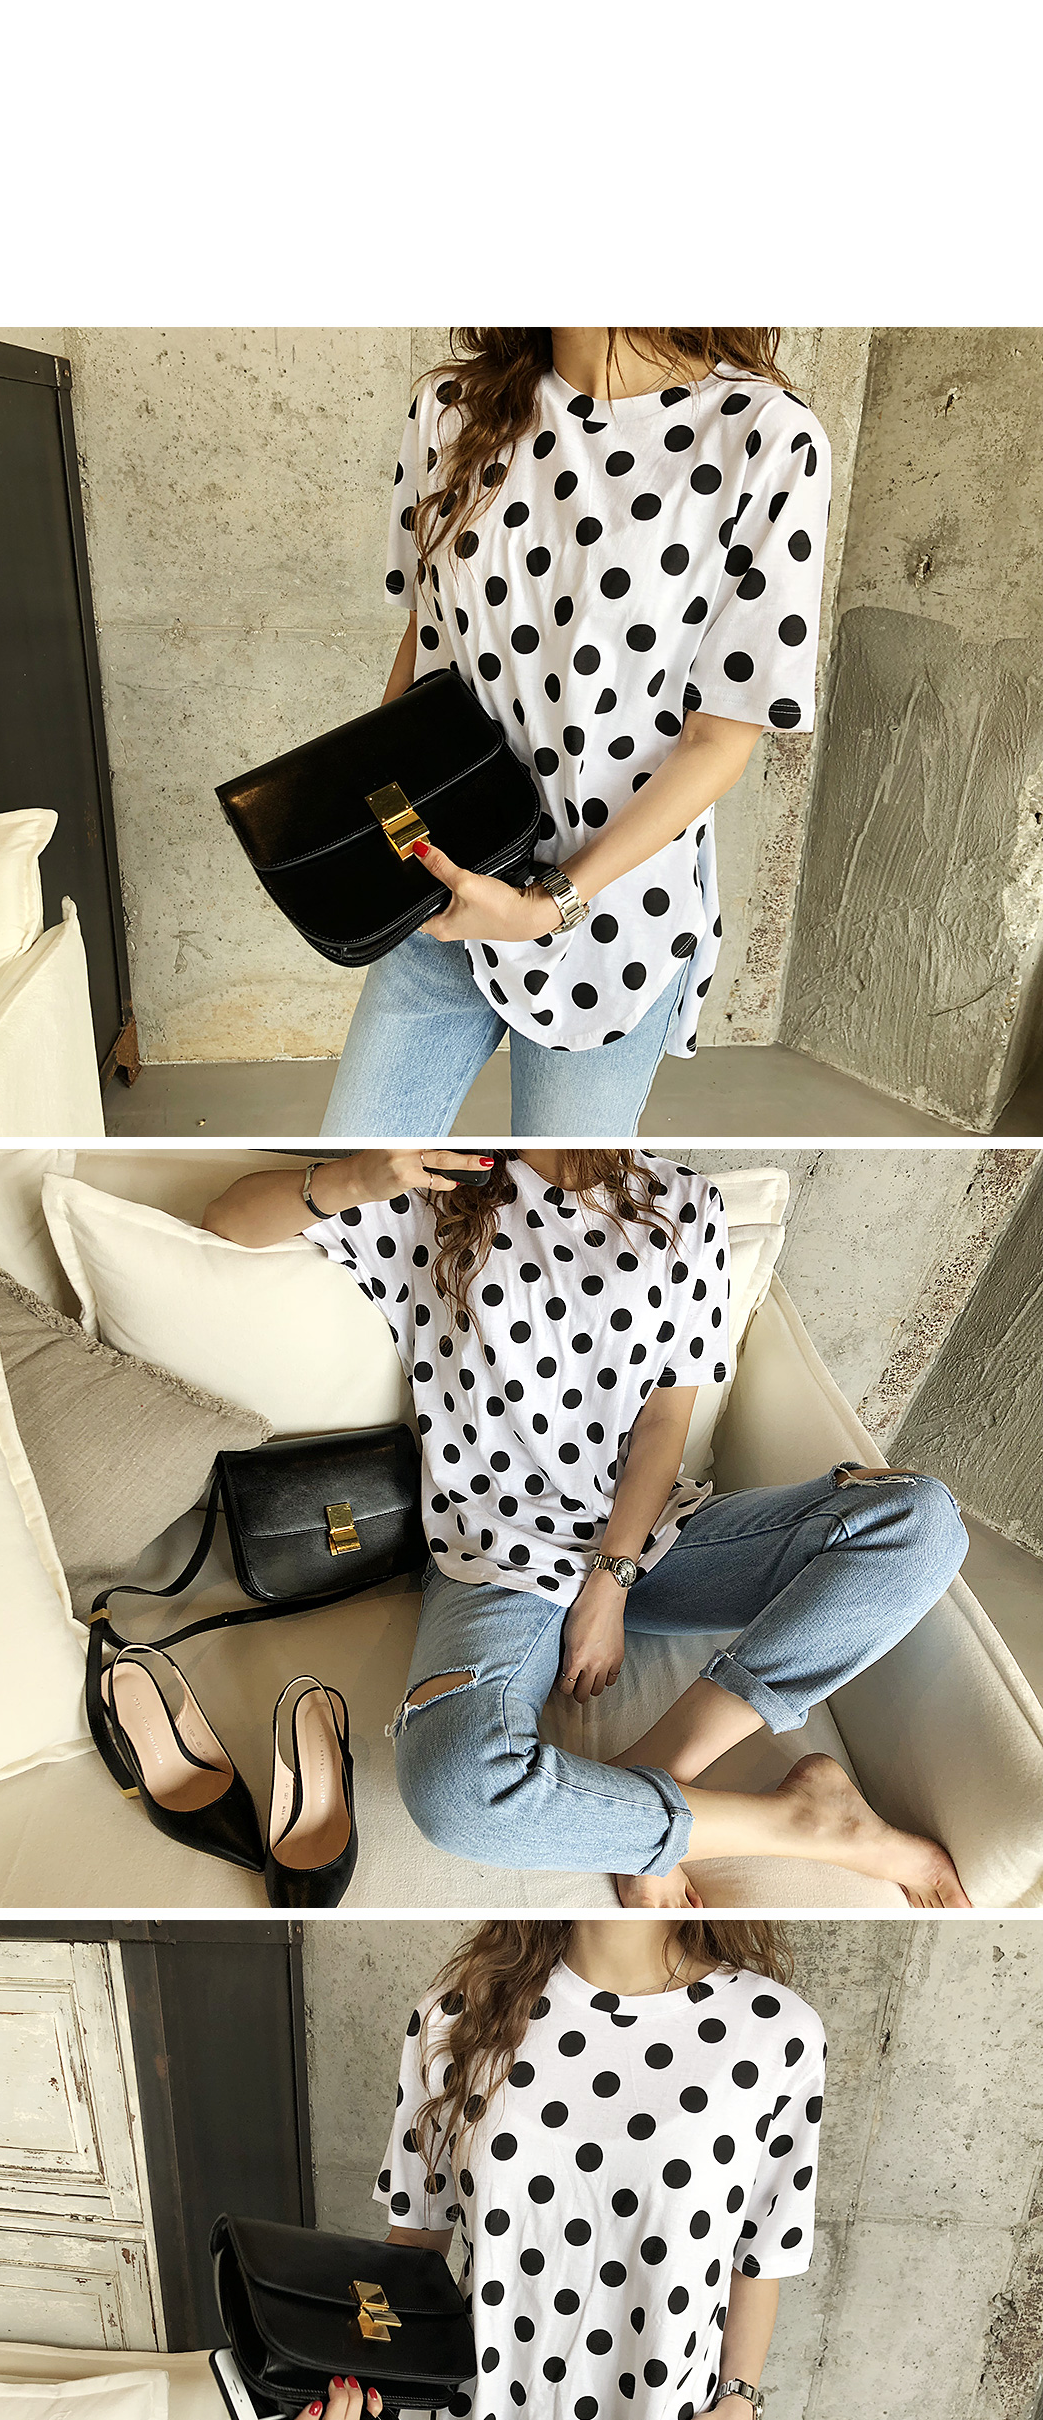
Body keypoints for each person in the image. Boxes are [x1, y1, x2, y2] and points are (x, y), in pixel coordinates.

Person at [203, 1143, 970, 1904]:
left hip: (654, 1539)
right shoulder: (436, 1185)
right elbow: (227, 1218)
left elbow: (666, 1420)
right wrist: (355, 1177)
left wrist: (612, 1577)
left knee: (920, 1522)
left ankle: (658, 1775)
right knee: (457, 1790)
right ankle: (799, 1821)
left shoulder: (685, 1203)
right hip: (494, 1552)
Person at [281, 1905, 824, 2420]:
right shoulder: (457, 2016)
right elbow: (411, 2257)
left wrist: (738, 2407)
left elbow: (762, 2251)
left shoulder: (775, 2034)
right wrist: (352, 2382)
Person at [316, 323, 830, 1126]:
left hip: (611, 918)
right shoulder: (450, 409)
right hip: (442, 886)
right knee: (357, 1165)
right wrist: (379, 834)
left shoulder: (765, 440)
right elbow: (427, 644)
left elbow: (720, 740)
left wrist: (550, 901)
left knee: (562, 1192)